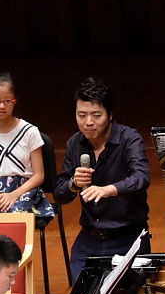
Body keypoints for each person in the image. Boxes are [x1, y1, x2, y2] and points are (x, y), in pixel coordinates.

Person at [54, 77, 150, 279]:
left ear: (110, 114)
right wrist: (73, 183)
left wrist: (108, 189)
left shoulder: (129, 139)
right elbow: (60, 193)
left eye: (96, 115)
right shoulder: (74, 143)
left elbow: (141, 177)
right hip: (89, 240)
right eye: (81, 115)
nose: (88, 122)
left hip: (128, 238)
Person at [0, 73, 54, 219]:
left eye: (7, 101)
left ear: (15, 101)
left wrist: (14, 195)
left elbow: (39, 175)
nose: (2, 106)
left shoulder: (30, 132)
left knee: (14, 215)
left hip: (25, 191)